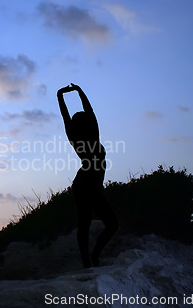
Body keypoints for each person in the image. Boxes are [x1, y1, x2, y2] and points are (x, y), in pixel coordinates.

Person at [57, 83, 118, 268]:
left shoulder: (80, 135)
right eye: (86, 119)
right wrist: (77, 91)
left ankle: (92, 258)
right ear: (85, 123)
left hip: (87, 184)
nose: (90, 120)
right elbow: (83, 111)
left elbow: (70, 115)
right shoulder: (85, 136)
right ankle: (88, 261)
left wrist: (62, 94)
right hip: (85, 185)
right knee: (88, 223)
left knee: (108, 224)